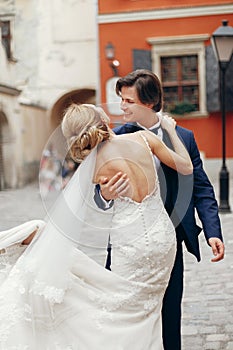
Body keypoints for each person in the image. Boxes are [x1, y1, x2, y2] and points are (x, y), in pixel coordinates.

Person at [0, 103, 193, 349]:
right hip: (163, 239)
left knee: (124, 307)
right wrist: (171, 130)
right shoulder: (145, 138)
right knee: (148, 307)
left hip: (130, 242)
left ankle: (34, 234)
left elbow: (93, 200)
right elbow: (186, 167)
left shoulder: (93, 166)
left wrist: (106, 194)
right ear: (102, 119)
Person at [95, 69, 225, 350]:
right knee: (124, 313)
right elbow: (97, 191)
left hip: (169, 238)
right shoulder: (114, 138)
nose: (122, 106)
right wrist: (104, 195)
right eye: (121, 99)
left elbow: (201, 187)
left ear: (150, 102)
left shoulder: (184, 137)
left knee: (170, 312)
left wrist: (212, 231)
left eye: (129, 101)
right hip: (127, 243)